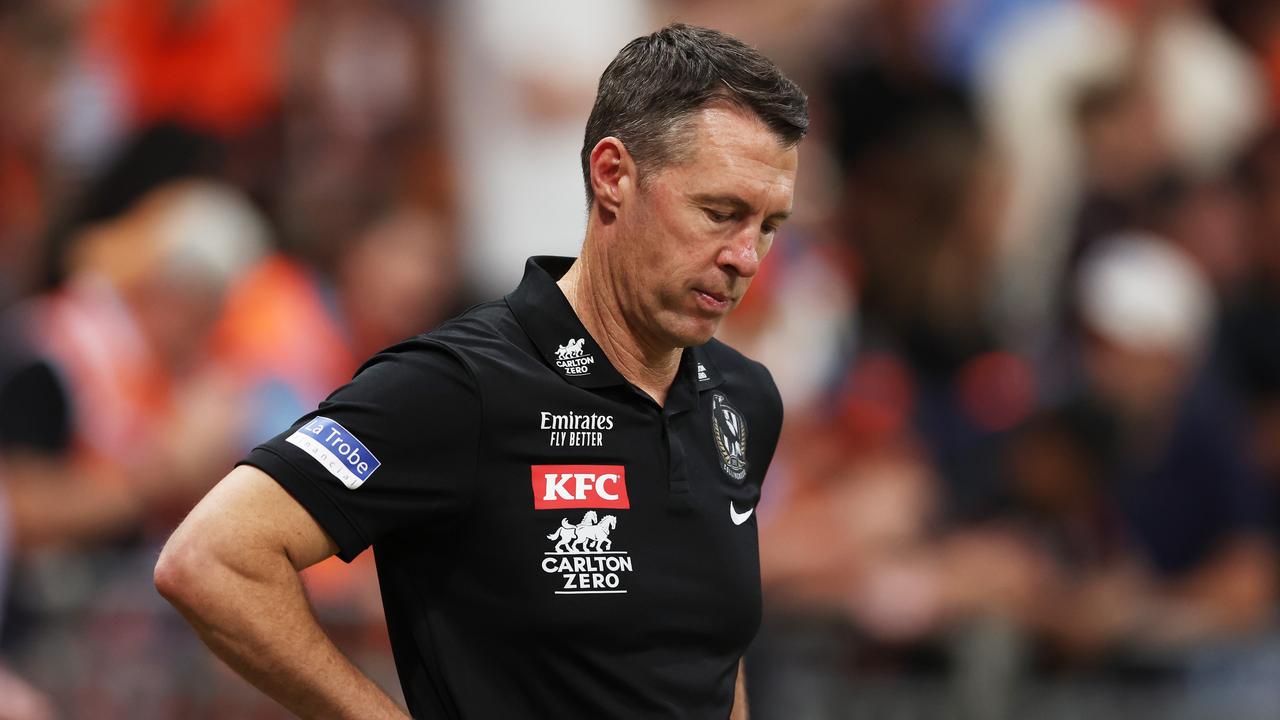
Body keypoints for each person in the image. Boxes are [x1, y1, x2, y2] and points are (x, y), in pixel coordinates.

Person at [155, 23, 807, 719]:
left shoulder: (741, 399)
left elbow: (709, 659)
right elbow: (212, 559)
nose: (746, 257)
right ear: (612, 175)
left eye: (768, 226)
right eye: (720, 212)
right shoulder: (462, 383)